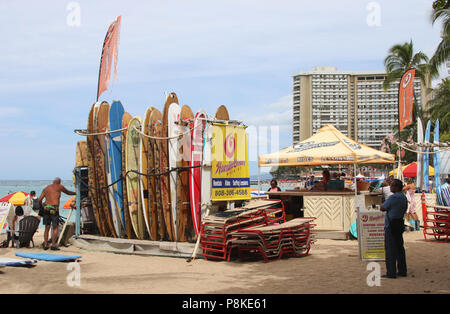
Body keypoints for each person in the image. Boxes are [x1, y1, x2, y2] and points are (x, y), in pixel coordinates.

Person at [380, 179, 408, 279]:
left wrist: (383, 202)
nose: (390, 187)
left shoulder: (393, 197)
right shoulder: (403, 197)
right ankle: (402, 270)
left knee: (390, 249)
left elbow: (382, 208)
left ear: (396, 187)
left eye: (391, 186)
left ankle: (391, 272)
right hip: (399, 223)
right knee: (400, 248)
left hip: (391, 225)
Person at [38, 178, 76, 251]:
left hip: (46, 208)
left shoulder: (46, 188)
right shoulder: (59, 186)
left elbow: (39, 200)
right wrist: (75, 193)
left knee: (47, 227)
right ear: (59, 182)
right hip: (54, 209)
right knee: (55, 227)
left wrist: (43, 206)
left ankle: (45, 244)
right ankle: (53, 245)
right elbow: (67, 192)